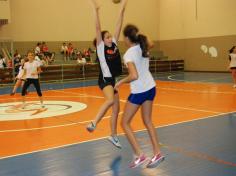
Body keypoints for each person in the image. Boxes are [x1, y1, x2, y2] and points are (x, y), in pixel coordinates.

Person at [115, 24, 165, 168]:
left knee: (124, 123)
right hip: (151, 87)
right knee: (148, 121)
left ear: (126, 38)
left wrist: (120, 82)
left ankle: (140, 155)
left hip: (139, 91)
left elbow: (134, 75)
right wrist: (141, 35)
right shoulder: (143, 47)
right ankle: (157, 153)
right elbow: (151, 42)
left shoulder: (129, 53)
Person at [86, 0, 128, 149]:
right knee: (110, 101)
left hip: (113, 80)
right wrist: (95, 10)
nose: (110, 38)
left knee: (116, 110)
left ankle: (113, 135)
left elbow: (119, 22)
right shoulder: (100, 47)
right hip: (104, 80)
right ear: (102, 40)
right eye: (107, 37)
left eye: (111, 36)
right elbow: (97, 27)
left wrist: (123, 6)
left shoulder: (114, 44)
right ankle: (94, 123)